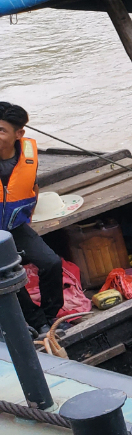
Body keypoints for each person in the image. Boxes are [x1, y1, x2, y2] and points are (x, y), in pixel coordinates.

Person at [0, 102, 64, 335]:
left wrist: (28, 217)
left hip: (15, 226)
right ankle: (36, 322)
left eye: (1, 130)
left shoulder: (27, 156)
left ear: (19, 134)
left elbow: (33, 187)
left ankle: (49, 317)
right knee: (8, 273)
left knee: (51, 263)